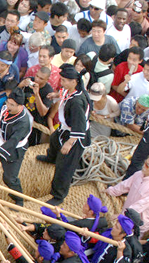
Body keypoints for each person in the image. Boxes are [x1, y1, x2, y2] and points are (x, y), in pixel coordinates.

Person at [37, 64, 91, 206]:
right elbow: (64, 93)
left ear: (74, 82)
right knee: (54, 140)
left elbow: (79, 125)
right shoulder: (71, 90)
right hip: (64, 129)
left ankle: (58, 195)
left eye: (64, 81)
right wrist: (56, 95)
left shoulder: (77, 102)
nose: (62, 83)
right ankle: (51, 157)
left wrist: (69, 142)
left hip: (74, 135)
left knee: (64, 166)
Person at [104, 153, 149, 236]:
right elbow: (124, 185)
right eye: (145, 163)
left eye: (147, 165)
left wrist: (122, 215)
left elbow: (140, 205)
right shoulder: (138, 174)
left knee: (130, 241)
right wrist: (110, 191)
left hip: (138, 224)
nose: (144, 166)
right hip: (126, 216)